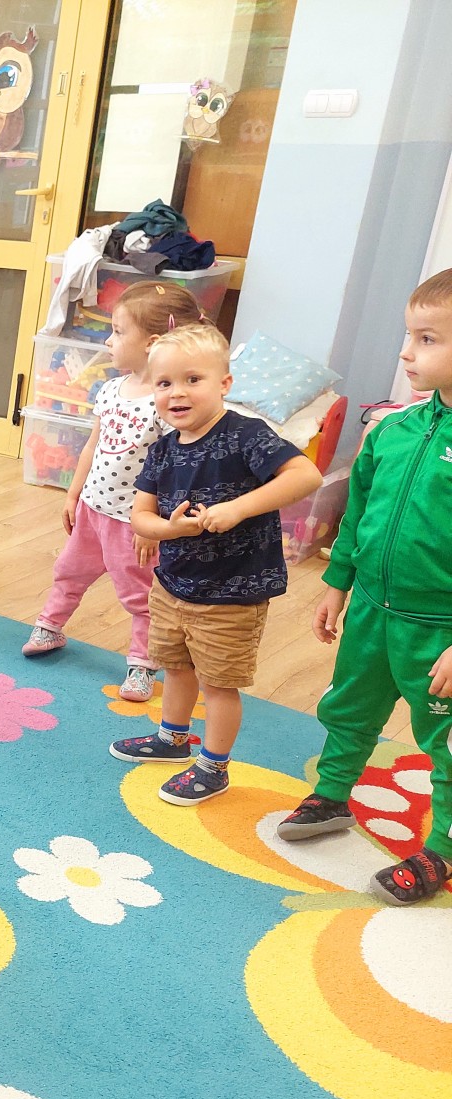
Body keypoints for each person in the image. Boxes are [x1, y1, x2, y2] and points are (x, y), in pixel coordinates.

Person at [276, 269, 452, 904]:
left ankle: (443, 850)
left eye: (427, 339)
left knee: (445, 742)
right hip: (374, 611)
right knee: (349, 707)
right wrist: (337, 583)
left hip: (441, 633)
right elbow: (359, 513)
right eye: (409, 335)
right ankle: (331, 795)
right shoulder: (393, 430)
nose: (406, 353)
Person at [110, 323, 321, 803]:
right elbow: (141, 516)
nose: (177, 393)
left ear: (224, 383)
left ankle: (214, 766)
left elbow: (305, 475)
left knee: (219, 684)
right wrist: (171, 530)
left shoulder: (246, 435)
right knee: (176, 667)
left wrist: (239, 508)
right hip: (172, 585)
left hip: (232, 594)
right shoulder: (163, 450)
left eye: (193, 379)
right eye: (165, 383)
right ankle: (172, 739)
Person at [23, 281, 205, 702]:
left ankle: (143, 664)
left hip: (133, 522)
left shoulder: (166, 404)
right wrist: (73, 494)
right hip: (92, 510)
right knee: (69, 571)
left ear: (152, 343)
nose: (109, 340)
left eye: (119, 332)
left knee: (139, 596)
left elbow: (174, 470)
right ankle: (50, 626)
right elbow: (92, 445)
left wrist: (154, 525)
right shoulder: (109, 389)